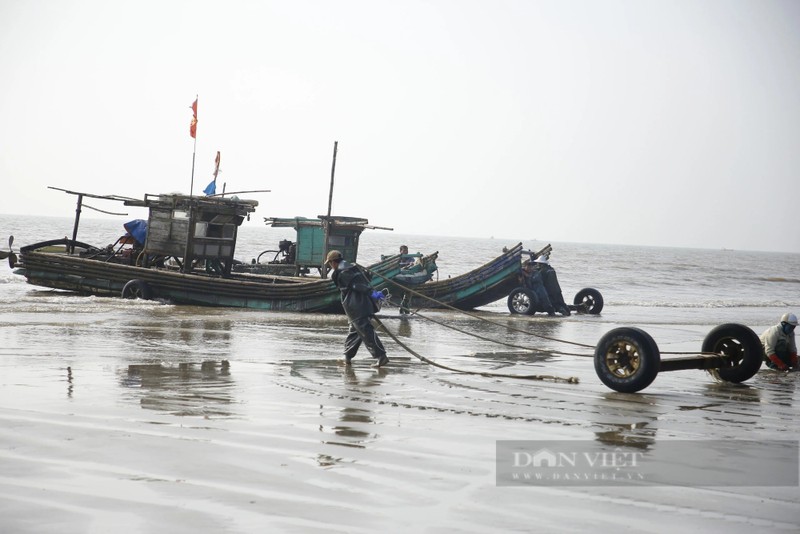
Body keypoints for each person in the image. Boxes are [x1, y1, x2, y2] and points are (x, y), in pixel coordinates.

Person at [326, 249, 389, 367]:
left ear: (334, 262)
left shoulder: (342, 272)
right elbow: (366, 279)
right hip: (363, 306)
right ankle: (347, 356)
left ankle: (381, 356)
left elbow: (357, 285)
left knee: (366, 332)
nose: (331, 266)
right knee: (355, 331)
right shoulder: (354, 268)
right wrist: (372, 293)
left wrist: (371, 292)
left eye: (330, 263)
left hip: (356, 307)